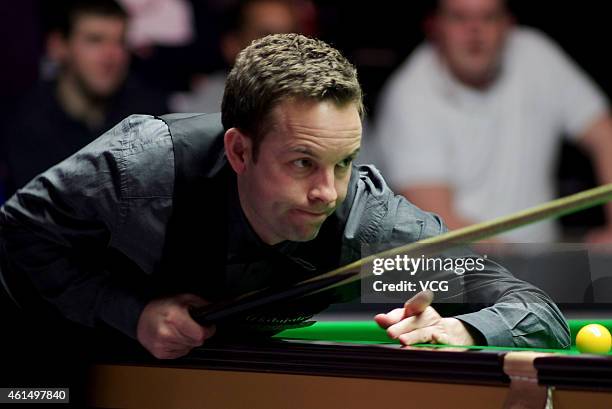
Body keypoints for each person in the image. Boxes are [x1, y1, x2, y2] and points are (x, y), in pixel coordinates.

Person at [0, 34, 569, 362]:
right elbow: (19, 233)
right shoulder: (143, 170)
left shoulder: (373, 229)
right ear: (240, 151)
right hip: (64, 365)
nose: (326, 192)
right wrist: (131, 312)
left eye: (344, 162)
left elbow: (536, 309)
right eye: (302, 163)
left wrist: (463, 329)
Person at [374, 0, 612, 243]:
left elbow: (605, 137)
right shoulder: (407, 96)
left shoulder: (537, 55)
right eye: (459, 18)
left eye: (488, 17)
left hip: (542, 263)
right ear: (433, 26)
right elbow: (439, 226)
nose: (475, 29)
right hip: (458, 271)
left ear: (508, 25)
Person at [4, 0, 167, 192]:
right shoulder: (25, 121)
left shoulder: (150, 115)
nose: (111, 55)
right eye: (95, 40)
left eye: (120, 42)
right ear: (58, 47)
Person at [170, 0, 302, 114]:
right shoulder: (199, 118)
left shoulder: (313, 102)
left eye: (290, 36)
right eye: (266, 36)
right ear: (232, 45)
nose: (282, 46)